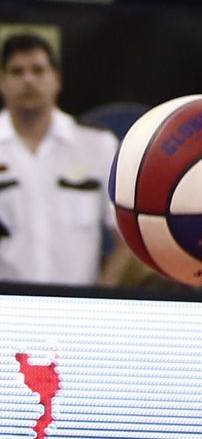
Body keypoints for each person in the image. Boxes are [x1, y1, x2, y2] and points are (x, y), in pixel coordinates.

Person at [0, 31, 124, 288]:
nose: (28, 80)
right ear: (2, 82)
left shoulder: (97, 146)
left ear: (56, 79)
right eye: (17, 71)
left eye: (38, 70)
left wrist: (102, 296)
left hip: (77, 312)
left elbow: (128, 238)